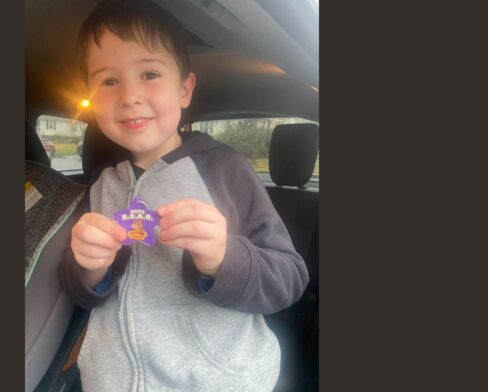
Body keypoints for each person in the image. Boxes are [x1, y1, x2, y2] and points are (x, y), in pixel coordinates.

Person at [58, 1, 308, 390]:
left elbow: (289, 278)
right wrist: (90, 270)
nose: (129, 95)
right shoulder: (101, 186)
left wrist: (223, 258)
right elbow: (82, 295)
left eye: (150, 73)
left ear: (185, 90)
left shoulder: (225, 170)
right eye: (109, 81)